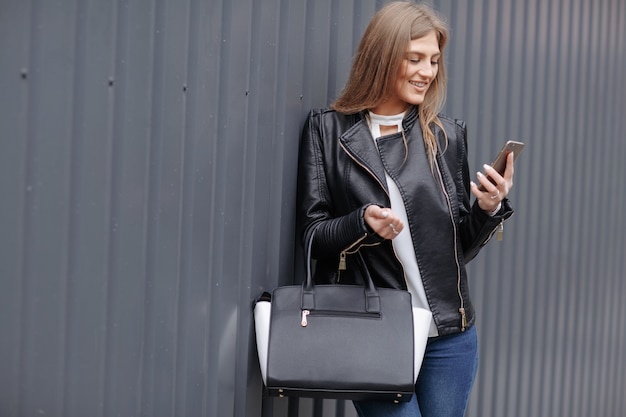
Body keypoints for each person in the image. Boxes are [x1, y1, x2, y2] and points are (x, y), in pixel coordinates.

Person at [296, 1, 516, 416]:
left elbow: (457, 251)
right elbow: (312, 236)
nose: (427, 71)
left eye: (433, 60)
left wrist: (488, 208)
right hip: (372, 331)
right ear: (382, 57)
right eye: (414, 58)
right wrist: (362, 223)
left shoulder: (445, 136)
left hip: (449, 337)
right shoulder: (328, 132)